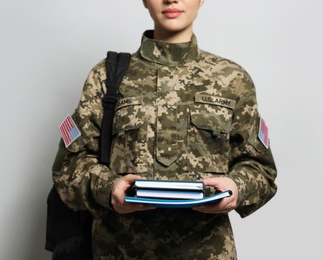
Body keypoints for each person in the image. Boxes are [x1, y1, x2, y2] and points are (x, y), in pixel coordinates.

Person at [52, 0, 277, 259]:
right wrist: (109, 189)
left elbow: (262, 169)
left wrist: (237, 187)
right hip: (119, 251)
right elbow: (68, 168)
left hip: (207, 252)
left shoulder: (233, 80)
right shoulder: (107, 77)